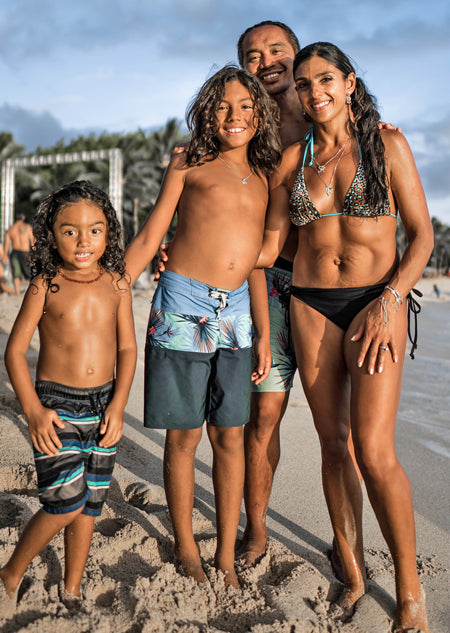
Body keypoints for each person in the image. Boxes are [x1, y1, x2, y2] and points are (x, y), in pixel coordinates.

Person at [257, 42, 433, 632]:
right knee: (333, 443)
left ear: (350, 82)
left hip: (374, 302)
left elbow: (421, 237)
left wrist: (391, 298)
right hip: (310, 305)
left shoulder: (388, 145)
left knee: (375, 451)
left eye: (325, 79)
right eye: (304, 85)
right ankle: (354, 573)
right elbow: (267, 248)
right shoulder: (290, 162)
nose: (314, 92)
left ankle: (410, 592)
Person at [124, 65, 281, 588]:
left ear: (259, 113)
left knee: (230, 435)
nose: (234, 117)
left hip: (236, 315)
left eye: (244, 107)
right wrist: (108, 293)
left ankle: (226, 558)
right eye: (223, 106)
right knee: (185, 434)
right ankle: (187, 546)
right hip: (182, 305)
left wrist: (261, 330)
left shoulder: (264, 175)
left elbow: (258, 264)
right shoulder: (188, 161)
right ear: (207, 112)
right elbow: (150, 238)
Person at [0, 181, 137, 616]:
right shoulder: (45, 285)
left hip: (104, 405)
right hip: (57, 406)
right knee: (64, 503)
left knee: (90, 503)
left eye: (94, 230)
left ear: (109, 234)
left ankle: (72, 587)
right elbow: (14, 352)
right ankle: (11, 571)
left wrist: (118, 405)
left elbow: (128, 350)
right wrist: (34, 411)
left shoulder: (117, 284)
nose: (83, 241)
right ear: (51, 235)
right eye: (70, 231)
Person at [3, 212, 34, 294]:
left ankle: (17, 292)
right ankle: (31, 292)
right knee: (29, 273)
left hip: (15, 253)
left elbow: (6, 244)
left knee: (16, 273)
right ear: (23, 218)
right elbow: (32, 242)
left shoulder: (11, 229)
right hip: (25, 252)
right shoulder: (28, 227)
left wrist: (5, 255)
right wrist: (34, 253)